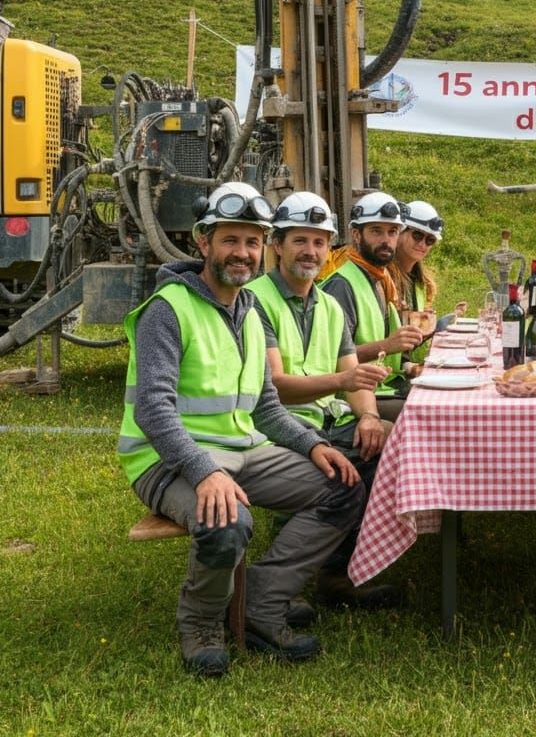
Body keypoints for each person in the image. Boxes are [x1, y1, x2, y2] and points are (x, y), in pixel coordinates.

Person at [118, 181, 365, 678]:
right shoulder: (169, 309)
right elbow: (153, 410)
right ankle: (202, 626)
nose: (243, 253)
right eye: (230, 240)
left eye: (252, 242)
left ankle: (260, 603)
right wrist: (203, 471)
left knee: (344, 489)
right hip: (167, 459)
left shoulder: (248, 311)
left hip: (243, 450)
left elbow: (266, 406)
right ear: (202, 242)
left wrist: (313, 444)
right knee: (227, 522)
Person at [245, 191, 399, 613]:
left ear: (330, 247)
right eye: (300, 240)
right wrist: (345, 380)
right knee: (341, 474)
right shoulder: (255, 300)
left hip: (325, 420)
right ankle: (293, 582)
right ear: (277, 244)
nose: (311, 251)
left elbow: (355, 378)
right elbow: (273, 387)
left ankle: (343, 571)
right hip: (277, 425)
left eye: (319, 242)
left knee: (390, 443)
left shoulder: (328, 304)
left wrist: (368, 414)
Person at [320, 192, 424, 421]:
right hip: (350, 399)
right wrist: (388, 345)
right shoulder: (342, 286)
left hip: (385, 386)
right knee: (429, 415)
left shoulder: (381, 279)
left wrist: (409, 367)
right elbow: (332, 360)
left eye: (392, 232)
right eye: (376, 231)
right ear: (356, 235)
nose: (386, 240)